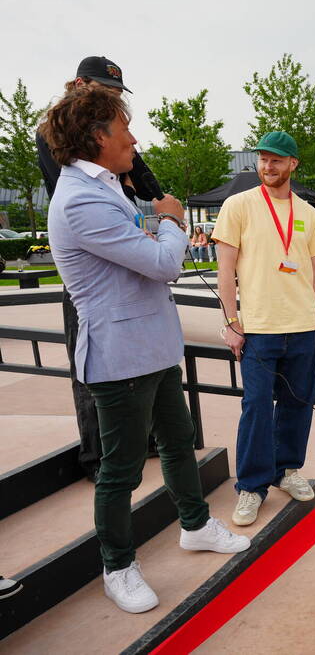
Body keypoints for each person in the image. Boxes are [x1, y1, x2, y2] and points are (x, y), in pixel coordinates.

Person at [42, 84, 250, 613]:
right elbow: (161, 263)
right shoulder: (80, 197)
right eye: (123, 128)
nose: (134, 138)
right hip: (118, 354)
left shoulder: (106, 186)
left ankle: (196, 525)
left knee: (180, 444)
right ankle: (118, 565)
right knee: (122, 470)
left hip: (153, 345)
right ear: (97, 136)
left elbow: (144, 252)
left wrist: (156, 225)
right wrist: (174, 219)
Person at [36, 56, 164, 483]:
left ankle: (141, 440)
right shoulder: (56, 132)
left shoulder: (113, 133)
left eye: (115, 94)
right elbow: (72, 186)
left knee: (136, 363)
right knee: (92, 366)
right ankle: (97, 455)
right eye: (103, 90)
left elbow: (147, 185)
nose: (110, 98)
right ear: (77, 84)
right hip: (92, 270)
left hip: (123, 254)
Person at [213, 131, 315, 528]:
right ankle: (251, 485)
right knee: (257, 407)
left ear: (293, 164)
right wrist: (231, 321)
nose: (267, 166)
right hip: (259, 328)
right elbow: (225, 270)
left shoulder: (309, 213)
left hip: (303, 326)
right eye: (263, 159)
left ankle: (287, 468)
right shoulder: (238, 205)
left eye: (277, 160)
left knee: (298, 404)